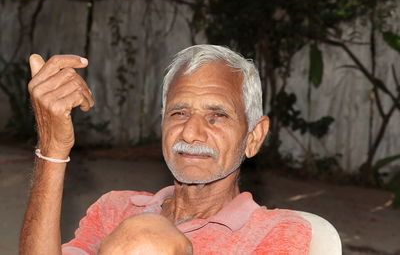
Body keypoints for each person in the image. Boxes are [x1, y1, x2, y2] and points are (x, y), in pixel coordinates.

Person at [19, 45, 311, 255]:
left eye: (217, 116)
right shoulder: (115, 208)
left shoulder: (276, 231)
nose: (190, 132)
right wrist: (52, 147)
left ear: (254, 136)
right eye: (179, 113)